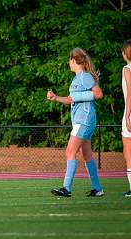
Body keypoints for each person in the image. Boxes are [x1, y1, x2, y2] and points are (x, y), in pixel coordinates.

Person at [46, 47, 104, 197]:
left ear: (73, 60)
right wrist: (56, 97)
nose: (68, 63)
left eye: (69, 61)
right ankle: (98, 189)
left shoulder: (84, 76)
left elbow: (98, 94)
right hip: (83, 120)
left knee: (69, 152)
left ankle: (66, 188)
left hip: (84, 120)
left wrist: (77, 97)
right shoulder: (77, 78)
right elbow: (72, 99)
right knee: (87, 155)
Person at [121, 39, 131, 197]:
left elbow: (130, 93)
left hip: (130, 113)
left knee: (128, 152)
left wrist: (128, 115)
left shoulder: (126, 69)